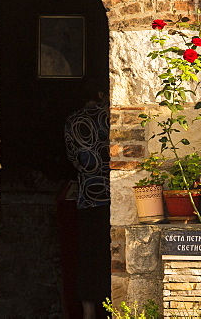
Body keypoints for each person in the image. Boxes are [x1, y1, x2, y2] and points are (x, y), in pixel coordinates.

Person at [64, 94, 110, 319]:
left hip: (89, 196)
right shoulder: (110, 117)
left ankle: (88, 312)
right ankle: (112, 307)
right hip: (112, 195)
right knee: (109, 253)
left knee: (87, 255)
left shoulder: (73, 120)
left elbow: (73, 158)